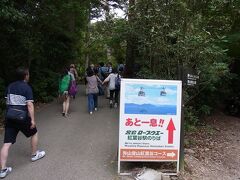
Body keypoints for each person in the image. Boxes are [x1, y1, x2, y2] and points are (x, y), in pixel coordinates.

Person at [0, 67, 45, 179]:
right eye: (28, 74)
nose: (29, 76)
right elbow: (29, 105)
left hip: (10, 117)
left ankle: (2, 170)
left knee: (6, 144)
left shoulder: (10, 86)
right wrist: (33, 120)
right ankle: (34, 154)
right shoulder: (27, 88)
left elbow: (7, 102)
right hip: (22, 117)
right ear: (25, 76)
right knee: (34, 132)